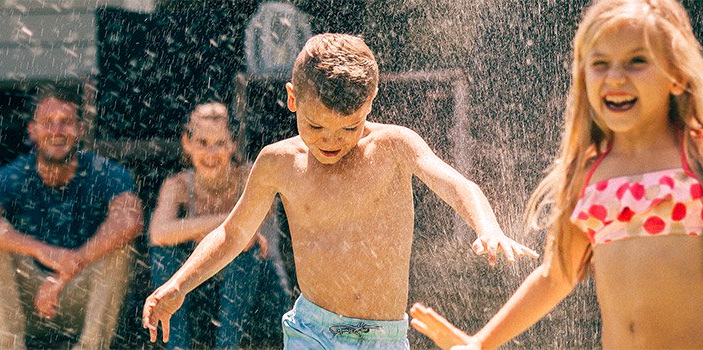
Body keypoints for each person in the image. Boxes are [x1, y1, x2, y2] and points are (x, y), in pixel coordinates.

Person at [406, 0, 703, 349]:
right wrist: (481, 342)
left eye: (637, 61)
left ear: (677, 75)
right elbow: (556, 275)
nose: (615, 77)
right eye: (599, 64)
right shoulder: (589, 171)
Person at [141, 33, 541, 349]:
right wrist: (179, 284)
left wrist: (488, 228)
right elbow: (232, 234)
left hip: (383, 337)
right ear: (292, 99)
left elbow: (457, 186)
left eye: (348, 128)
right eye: (315, 127)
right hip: (311, 331)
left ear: (370, 102)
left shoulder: (394, 146)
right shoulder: (278, 162)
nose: (331, 141)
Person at [0, 87, 143, 350]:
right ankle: (10, 346)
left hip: (82, 300)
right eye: (47, 122)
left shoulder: (107, 172)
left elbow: (129, 222)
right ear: (32, 130)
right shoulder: (13, 174)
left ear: (80, 129)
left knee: (120, 247)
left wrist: (66, 271)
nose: (57, 130)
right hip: (29, 300)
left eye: (66, 122)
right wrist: (44, 252)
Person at [148, 102, 284, 349]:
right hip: (204, 292)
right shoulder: (177, 184)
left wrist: (196, 229)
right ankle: (176, 346)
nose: (211, 153)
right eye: (202, 143)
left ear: (232, 145)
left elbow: (250, 242)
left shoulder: (250, 177)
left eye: (219, 144)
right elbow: (158, 234)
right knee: (164, 254)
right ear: (187, 144)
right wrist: (225, 222)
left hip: (261, 294)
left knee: (245, 251)